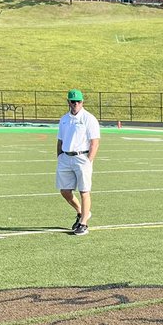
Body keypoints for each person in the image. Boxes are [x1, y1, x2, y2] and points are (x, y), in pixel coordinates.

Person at [56, 89, 100, 236]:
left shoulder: (89, 118)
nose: (76, 104)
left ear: (82, 102)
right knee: (65, 191)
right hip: (65, 157)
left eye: (78, 101)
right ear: (68, 102)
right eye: (73, 101)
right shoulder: (64, 119)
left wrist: (89, 160)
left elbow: (95, 142)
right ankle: (82, 212)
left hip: (82, 157)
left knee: (84, 190)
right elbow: (60, 140)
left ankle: (83, 223)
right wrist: (59, 156)